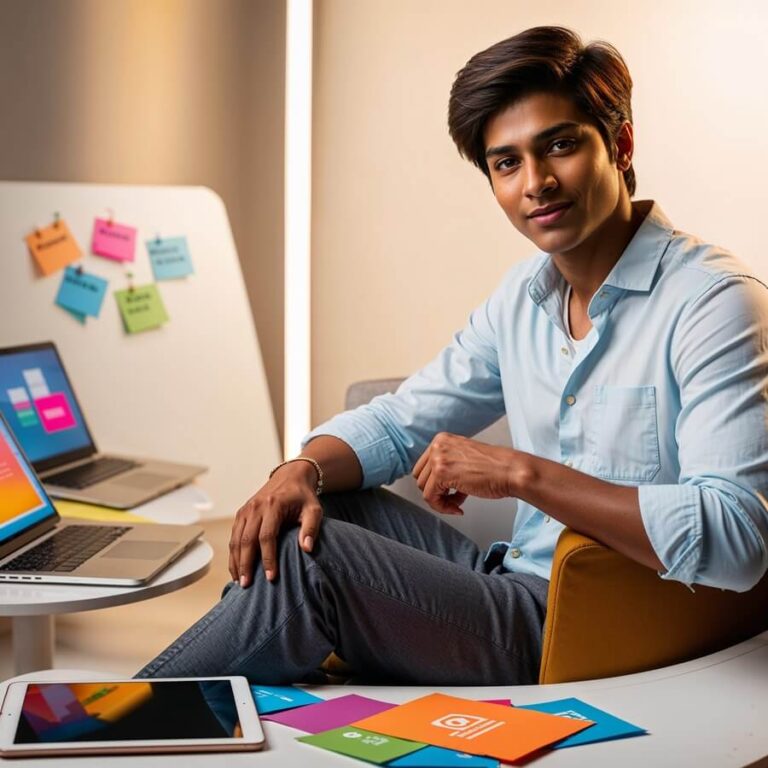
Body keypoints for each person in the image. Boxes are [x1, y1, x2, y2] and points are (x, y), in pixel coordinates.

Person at [137, 25, 768, 685]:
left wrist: (520, 474)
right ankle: (181, 712)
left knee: (309, 559)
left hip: (591, 631)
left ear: (621, 144)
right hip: (510, 582)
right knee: (312, 509)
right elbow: (400, 420)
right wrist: (299, 470)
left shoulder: (713, 302)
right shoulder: (521, 300)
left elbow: (739, 537)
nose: (536, 183)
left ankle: (113, 718)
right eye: (507, 163)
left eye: (560, 146)